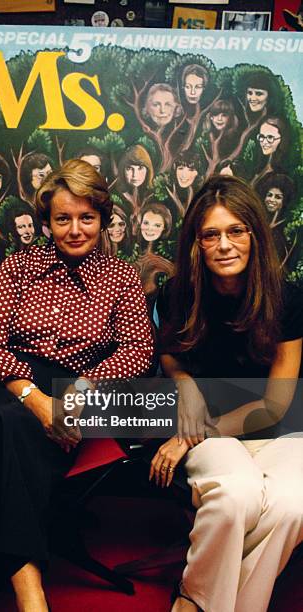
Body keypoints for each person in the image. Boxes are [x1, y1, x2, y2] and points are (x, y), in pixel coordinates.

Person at [0, 159, 154, 611]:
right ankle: (31, 595)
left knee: (4, 430)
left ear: (103, 220)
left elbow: (138, 350)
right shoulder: (19, 267)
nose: (75, 229)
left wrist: (84, 386)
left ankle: (10, 589)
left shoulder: (121, 278)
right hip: (0, 380)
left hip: (73, 388)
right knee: (7, 418)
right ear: (46, 223)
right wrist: (33, 397)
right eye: (62, 219)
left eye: (86, 218)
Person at [154, 175, 303, 612]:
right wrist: (186, 386)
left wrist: (189, 436)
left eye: (235, 230)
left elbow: (274, 406)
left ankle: (193, 601)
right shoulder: (178, 295)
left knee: (293, 506)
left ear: (255, 234)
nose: (224, 244)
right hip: (214, 434)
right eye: (211, 234)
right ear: (197, 244)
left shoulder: (288, 299)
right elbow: (169, 356)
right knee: (236, 494)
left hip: (278, 430)